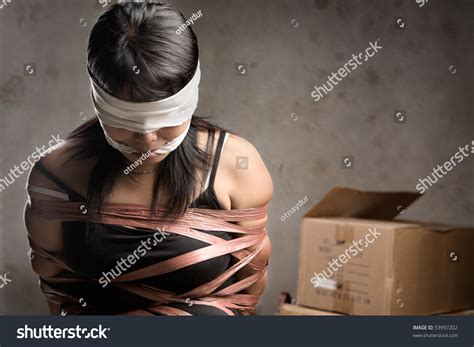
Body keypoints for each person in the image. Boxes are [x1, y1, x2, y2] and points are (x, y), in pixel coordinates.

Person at [24, 1, 272, 315]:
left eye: (165, 122)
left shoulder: (237, 166)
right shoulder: (56, 175)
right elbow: (58, 291)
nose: (147, 140)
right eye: (126, 124)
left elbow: (249, 287)